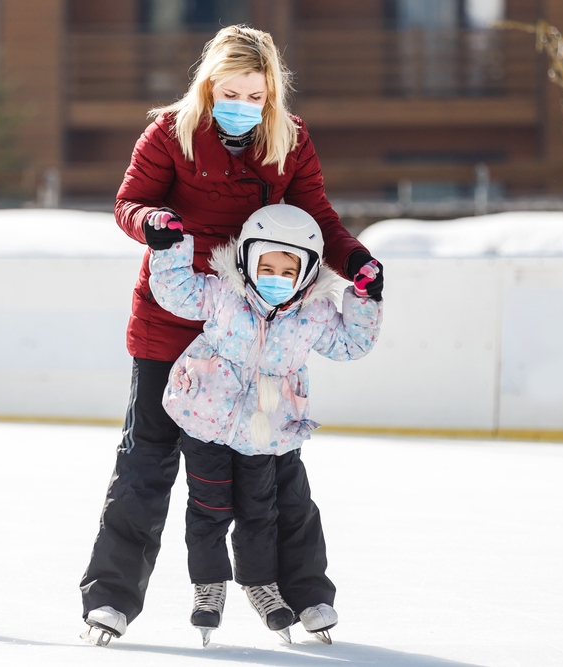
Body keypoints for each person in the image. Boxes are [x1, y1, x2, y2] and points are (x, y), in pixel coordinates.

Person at [79, 24, 384, 647]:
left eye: (255, 93)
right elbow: (128, 201)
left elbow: (318, 219)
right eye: (230, 90)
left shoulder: (289, 139)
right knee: (146, 461)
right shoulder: (170, 131)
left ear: (271, 91)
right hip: (172, 319)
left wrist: (354, 262)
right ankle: (110, 600)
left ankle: (306, 596)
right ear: (209, 84)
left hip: (253, 326)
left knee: (275, 466)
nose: (242, 103)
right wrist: (155, 223)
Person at [146, 204, 381, 646]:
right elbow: (176, 292)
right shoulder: (223, 295)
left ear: (307, 273)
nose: (275, 276)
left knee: (259, 515)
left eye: (287, 269)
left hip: (265, 432)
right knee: (208, 511)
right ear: (247, 262)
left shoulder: (313, 316)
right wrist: (170, 247)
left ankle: (261, 585)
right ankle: (208, 587)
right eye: (266, 266)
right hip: (205, 422)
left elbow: (352, 344)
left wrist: (366, 298)